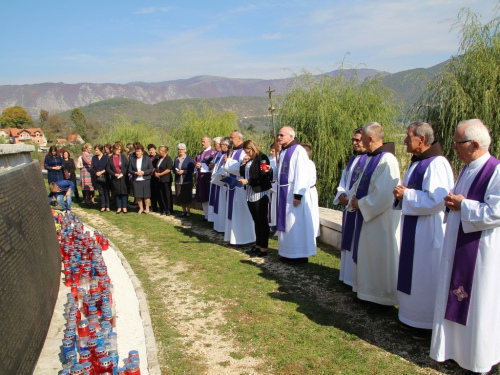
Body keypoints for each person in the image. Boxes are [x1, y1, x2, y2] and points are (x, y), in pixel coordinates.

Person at [430, 119, 500, 374]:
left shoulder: (496, 171)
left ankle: (478, 359)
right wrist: (453, 202)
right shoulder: (467, 168)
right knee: (456, 295)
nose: (453, 148)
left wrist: (463, 205)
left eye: (458, 143)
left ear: (475, 144)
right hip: (459, 245)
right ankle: (455, 351)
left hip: (481, 252)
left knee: (479, 304)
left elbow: (497, 212)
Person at [392, 122, 454, 340]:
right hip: (414, 228)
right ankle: (410, 317)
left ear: (422, 139)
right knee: (414, 273)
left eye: (409, 137)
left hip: (428, 231)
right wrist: (401, 194)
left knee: (424, 275)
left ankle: (425, 322)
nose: (405, 141)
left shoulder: (437, 164)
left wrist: (406, 195)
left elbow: (438, 200)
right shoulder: (418, 163)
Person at [349, 122, 401, 313]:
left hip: (380, 220)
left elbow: (384, 194)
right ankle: (367, 294)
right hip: (368, 218)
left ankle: (381, 300)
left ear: (370, 138)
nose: (360, 141)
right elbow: (361, 184)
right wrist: (353, 198)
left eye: (361, 138)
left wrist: (361, 204)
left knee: (379, 257)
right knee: (368, 257)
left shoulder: (387, 160)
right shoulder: (372, 158)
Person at [275, 127, 317, 263]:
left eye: (282, 135)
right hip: (283, 192)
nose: (279, 137)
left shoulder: (298, 150)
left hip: (292, 192)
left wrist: (298, 195)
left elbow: (302, 173)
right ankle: (286, 252)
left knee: (295, 223)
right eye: (278, 135)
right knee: (285, 223)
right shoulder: (283, 151)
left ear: (291, 136)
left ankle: (299, 254)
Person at [334, 128, 367, 287]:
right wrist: (340, 194)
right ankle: (346, 277)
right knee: (348, 241)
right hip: (347, 206)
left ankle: (354, 279)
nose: (354, 143)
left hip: (357, 207)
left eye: (358, 140)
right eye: (353, 140)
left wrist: (350, 199)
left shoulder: (370, 160)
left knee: (357, 243)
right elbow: (344, 180)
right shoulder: (352, 160)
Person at [239, 140, 273, 257]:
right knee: (256, 220)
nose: (247, 154)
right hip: (250, 192)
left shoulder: (262, 158)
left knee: (262, 221)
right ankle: (257, 245)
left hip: (260, 193)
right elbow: (243, 173)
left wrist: (248, 181)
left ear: (253, 148)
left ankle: (263, 248)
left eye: (248, 152)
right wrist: (243, 164)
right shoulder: (250, 159)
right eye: (245, 153)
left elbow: (264, 177)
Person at [223, 130, 255, 245]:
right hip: (233, 185)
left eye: (232, 138)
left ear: (239, 138)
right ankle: (233, 237)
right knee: (233, 212)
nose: (230, 140)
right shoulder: (233, 151)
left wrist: (228, 163)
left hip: (241, 187)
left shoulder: (243, 152)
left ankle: (245, 238)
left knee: (242, 212)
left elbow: (242, 168)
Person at [195, 136, 217, 220]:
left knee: (208, 195)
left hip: (208, 177)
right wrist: (197, 165)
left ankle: (211, 215)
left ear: (209, 142)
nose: (202, 143)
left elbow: (213, 164)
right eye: (202, 141)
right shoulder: (200, 153)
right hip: (201, 177)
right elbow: (195, 161)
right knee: (202, 196)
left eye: (204, 141)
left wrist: (203, 165)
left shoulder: (213, 153)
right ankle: (206, 215)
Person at [128, 143, 154, 214]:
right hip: (136, 179)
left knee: (146, 195)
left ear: (142, 152)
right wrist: (135, 173)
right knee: (138, 195)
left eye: (139, 151)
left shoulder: (147, 159)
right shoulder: (132, 159)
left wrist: (144, 172)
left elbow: (151, 169)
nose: (137, 153)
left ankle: (147, 208)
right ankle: (141, 208)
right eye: (136, 151)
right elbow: (129, 169)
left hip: (145, 179)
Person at [211, 137, 231, 233]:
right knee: (219, 205)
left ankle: (222, 227)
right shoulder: (222, 155)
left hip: (225, 185)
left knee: (223, 206)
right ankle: (218, 225)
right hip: (219, 183)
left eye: (222, 144)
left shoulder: (228, 156)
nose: (220, 145)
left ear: (226, 146)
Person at [301, 143, 320, 238]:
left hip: (308, 191)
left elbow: (307, 180)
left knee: (310, 212)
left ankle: (312, 233)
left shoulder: (309, 164)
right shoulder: (303, 163)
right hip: (305, 191)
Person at [106, 142, 129, 214]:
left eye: (120, 149)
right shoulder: (110, 158)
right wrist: (114, 174)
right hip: (115, 178)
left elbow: (126, 166)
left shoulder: (123, 157)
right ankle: (119, 207)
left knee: (124, 193)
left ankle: (124, 207)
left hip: (123, 177)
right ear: (114, 150)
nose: (119, 151)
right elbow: (108, 168)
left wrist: (123, 173)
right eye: (117, 149)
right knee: (117, 193)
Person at [174, 143, 195, 217]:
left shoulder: (189, 158)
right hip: (178, 180)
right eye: (179, 149)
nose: (180, 151)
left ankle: (188, 211)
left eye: (182, 149)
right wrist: (176, 172)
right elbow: (174, 169)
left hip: (187, 180)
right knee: (180, 196)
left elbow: (192, 169)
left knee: (187, 196)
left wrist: (184, 171)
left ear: (185, 150)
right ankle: (183, 211)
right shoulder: (176, 159)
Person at [155, 145, 174, 216]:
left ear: (164, 151)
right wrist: (156, 173)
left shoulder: (168, 159)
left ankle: (169, 209)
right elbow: (157, 167)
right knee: (161, 194)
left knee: (167, 194)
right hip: (159, 180)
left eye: (160, 151)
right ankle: (163, 208)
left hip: (166, 179)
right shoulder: (159, 159)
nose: (158, 152)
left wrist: (160, 174)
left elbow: (168, 169)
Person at [208, 137, 223, 222]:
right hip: (214, 178)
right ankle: (212, 218)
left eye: (215, 144)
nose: (214, 146)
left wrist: (214, 165)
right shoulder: (217, 154)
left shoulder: (222, 154)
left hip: (219, 180)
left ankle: (217, 219)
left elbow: (220, 166)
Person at [91, 144, 110, 212]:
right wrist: (96, 172)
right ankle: (102, 205)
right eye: (95, 150)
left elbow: (108, 167)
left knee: (106, 192)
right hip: (97, 177)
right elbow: (92, 167)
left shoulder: (106, 157)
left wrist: (101, 172)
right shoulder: (94, 158)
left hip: (105, 177)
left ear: (100, 150)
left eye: (97, 150)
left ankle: (107, 206)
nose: (96, 151)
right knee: (101, 192)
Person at [268, 142, 281, 231]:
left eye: (273, 151)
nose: (271, 152)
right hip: (268, 184)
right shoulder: (269, 159)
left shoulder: (279, 160)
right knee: (269, 207)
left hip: (275, 186)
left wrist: (273, 187)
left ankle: (275, 226)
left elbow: (279, 176)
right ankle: (270, 224)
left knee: (274, 208)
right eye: (271, 150)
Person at [148, 144, 161, 213]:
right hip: (150, 177)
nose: (151, 151)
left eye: (152, 150)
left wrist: (155, 170)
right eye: (150, 150)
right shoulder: (148, 157)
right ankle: (154, 207)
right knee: (152, 193)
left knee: (158, 193)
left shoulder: (158, 157)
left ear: (155, 149)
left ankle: (160, 207)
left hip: (157, 176)